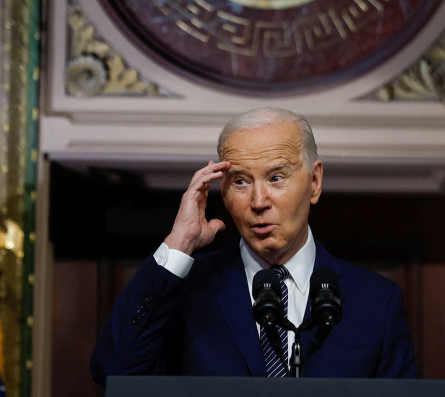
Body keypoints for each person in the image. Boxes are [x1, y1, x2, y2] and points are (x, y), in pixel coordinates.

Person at [89, 107, 417, 382]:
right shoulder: (187, 290)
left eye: (276, 177)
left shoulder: (375, 302)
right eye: (241, 181)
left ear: (314, 182)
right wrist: (179, 243)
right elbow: (114, 373)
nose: (258, 201)